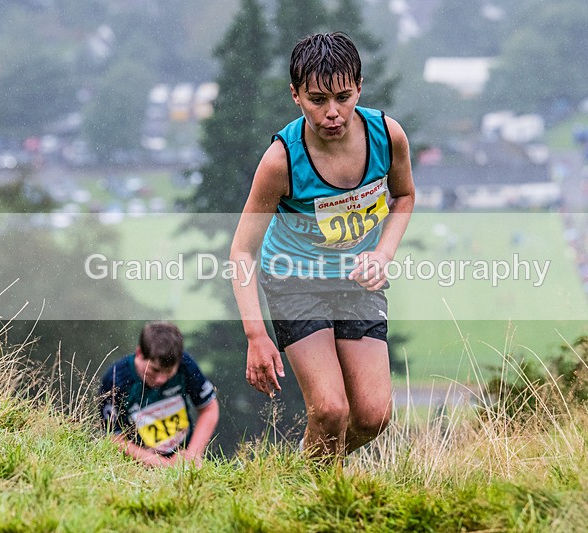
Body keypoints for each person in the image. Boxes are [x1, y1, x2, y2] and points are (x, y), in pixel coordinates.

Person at [230, 32, 415, 459]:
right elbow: (242, 250)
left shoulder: (388, 137)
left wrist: (382, 254)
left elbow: (403, 196)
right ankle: (312, 497)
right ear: (295, 95)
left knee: (372, 416)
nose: (332, 113)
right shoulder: (280, 161)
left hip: (356, 283)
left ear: (359, 88)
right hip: (296, 281)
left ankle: (302, 470)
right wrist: (256, 334)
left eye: (342, 97)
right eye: (316, 100)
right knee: (330, 409)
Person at [99, 322, 219, 467]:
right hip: (137, 466)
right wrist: (161, 463)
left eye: (169, 372)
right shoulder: (115, 379)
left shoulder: (185, 364)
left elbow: (209, 409)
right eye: (155, 370)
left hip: (184, 461)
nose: (161, 379)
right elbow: (113, 438)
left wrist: (192, 455)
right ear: (139, 353)